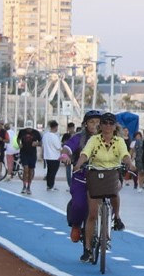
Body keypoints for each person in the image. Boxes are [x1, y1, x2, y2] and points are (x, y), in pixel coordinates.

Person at [71, 112, 136, 261]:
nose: (107, 126)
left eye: (111, 123)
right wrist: (78, 164)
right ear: (100, 126)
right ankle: (88, 248)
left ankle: (116, 217)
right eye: (105, 123)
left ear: (115, 126)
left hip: (112, 173)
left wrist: (130, 164)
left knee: (115, 189)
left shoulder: (119, 141)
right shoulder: (94, 139)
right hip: (95, 174)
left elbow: (125, 155)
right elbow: (85, 153)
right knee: (92, 214)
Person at [60, 111, 102, 243]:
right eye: (91, 122)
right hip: (81, 176)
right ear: (85, 124)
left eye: (98, 122)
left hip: (102, 177)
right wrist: (65, 155)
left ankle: (110, 220)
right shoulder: (79, 137)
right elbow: (67, 147)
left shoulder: (108, 137)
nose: (95, 125)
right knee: (79, 204)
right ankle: (76, 225)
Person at [16, 121, 42, 194]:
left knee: (31, 170)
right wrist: (19, 144)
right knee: (25, 169)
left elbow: (41, 142)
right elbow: (18, 139)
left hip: (32, 153)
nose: (29, 130)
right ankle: (24, 186)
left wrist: (36, 143)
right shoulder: (22, 132)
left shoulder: (36, 133)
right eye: (27, 128)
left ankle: (29, 187)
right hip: (24, 153)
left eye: (30, 128)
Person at [41, 120, 63, 191]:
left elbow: (43, 145)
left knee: (49, 171)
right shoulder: (54, 136)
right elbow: (58, 147)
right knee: (53, 172)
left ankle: (49, 185)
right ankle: (51, 186)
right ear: (55, 127)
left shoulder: (45, 135)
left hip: (47, 156)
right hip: (55, 157)